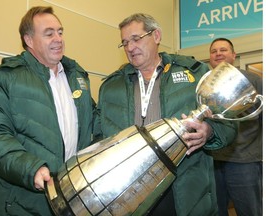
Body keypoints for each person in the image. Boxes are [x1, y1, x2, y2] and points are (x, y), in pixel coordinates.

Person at [93, 13, 237, 216]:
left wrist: (210, 131)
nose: (130, 48)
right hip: (130, 194)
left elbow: (229, 123)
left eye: (136, 39)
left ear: (157, 36)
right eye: (124, 43)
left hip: (184, 191)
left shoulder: (195, 73)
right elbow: (99, 138)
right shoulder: (111, 87)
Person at [0, 6, 95, 215]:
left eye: (60, 32)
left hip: (70, 200)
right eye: (49, 34)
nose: (58, 39)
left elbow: (94, 123)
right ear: (29, 41)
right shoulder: (4, 78)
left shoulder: (76, 77)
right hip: (21, 204)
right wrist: (31, 169)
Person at [208, 38, 263, 216]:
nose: (218, 53)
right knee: (216, 211)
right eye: (214, 51)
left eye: (223, 50)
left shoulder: (253, 80)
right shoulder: (205, 84)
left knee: (249, 211)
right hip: (212, 161)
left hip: (244, 161)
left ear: (233, 55)